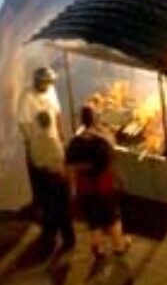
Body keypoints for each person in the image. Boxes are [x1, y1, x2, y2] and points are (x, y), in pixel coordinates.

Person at [65, 106, 127, 261]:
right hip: (103, 186)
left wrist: (72, 189)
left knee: (93, 219)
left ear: (81, 120)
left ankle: (99, 249)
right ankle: (119, 246)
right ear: (95, 120)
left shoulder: (74, 143)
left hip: (85, 188)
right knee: (112, 217)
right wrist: (119, 179)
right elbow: (110, 161)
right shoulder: (102, 142)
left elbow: (70, 167)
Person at [21, 103, 72, 256]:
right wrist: (66, 178)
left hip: (43, 178)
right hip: (56, 178)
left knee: (48, 209)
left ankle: (49, 237)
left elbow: (34, 160)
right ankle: (68, 239)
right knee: (63, 211)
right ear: (50, 122)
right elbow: (60, 161)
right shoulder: (52, 140)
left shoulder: (35, 141)